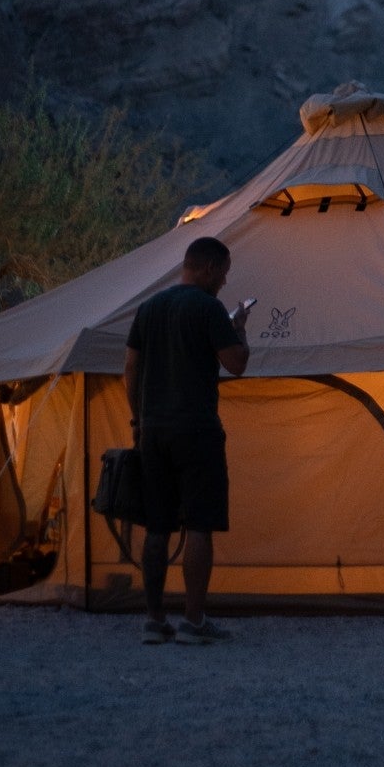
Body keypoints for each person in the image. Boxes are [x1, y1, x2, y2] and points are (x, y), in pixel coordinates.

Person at [124, 235, 250, 644]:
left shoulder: (149, 307)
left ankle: (154, 619)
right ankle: (193, 621)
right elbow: (236, 365)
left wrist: (138, 419)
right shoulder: (209, 308)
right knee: (199, 524)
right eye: (224, 274)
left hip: (154, 430)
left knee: (157, 526)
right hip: (196, 429)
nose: (225, 283)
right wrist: (239, 330)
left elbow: (131, 366)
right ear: (210, 268)